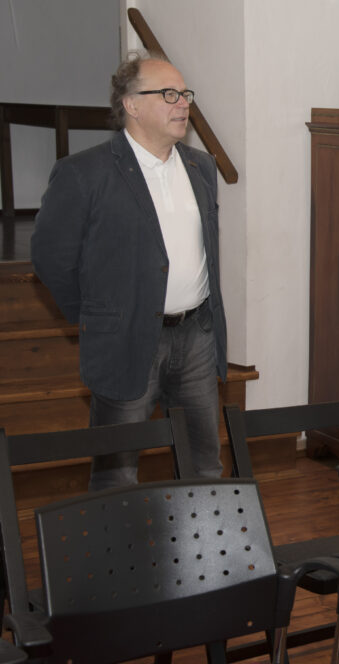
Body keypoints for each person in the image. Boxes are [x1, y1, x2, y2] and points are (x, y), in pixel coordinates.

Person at [31, 52, 228, 489]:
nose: (183, 104)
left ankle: (202, 535)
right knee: (116, 474)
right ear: (131, 104)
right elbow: (50, 256)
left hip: (197, 334)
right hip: (125, 338)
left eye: (186, 94)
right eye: (169, 94)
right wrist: (97, 315)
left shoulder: (202, 167)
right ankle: (116, 539)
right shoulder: (84, 173)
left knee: (203, 467)